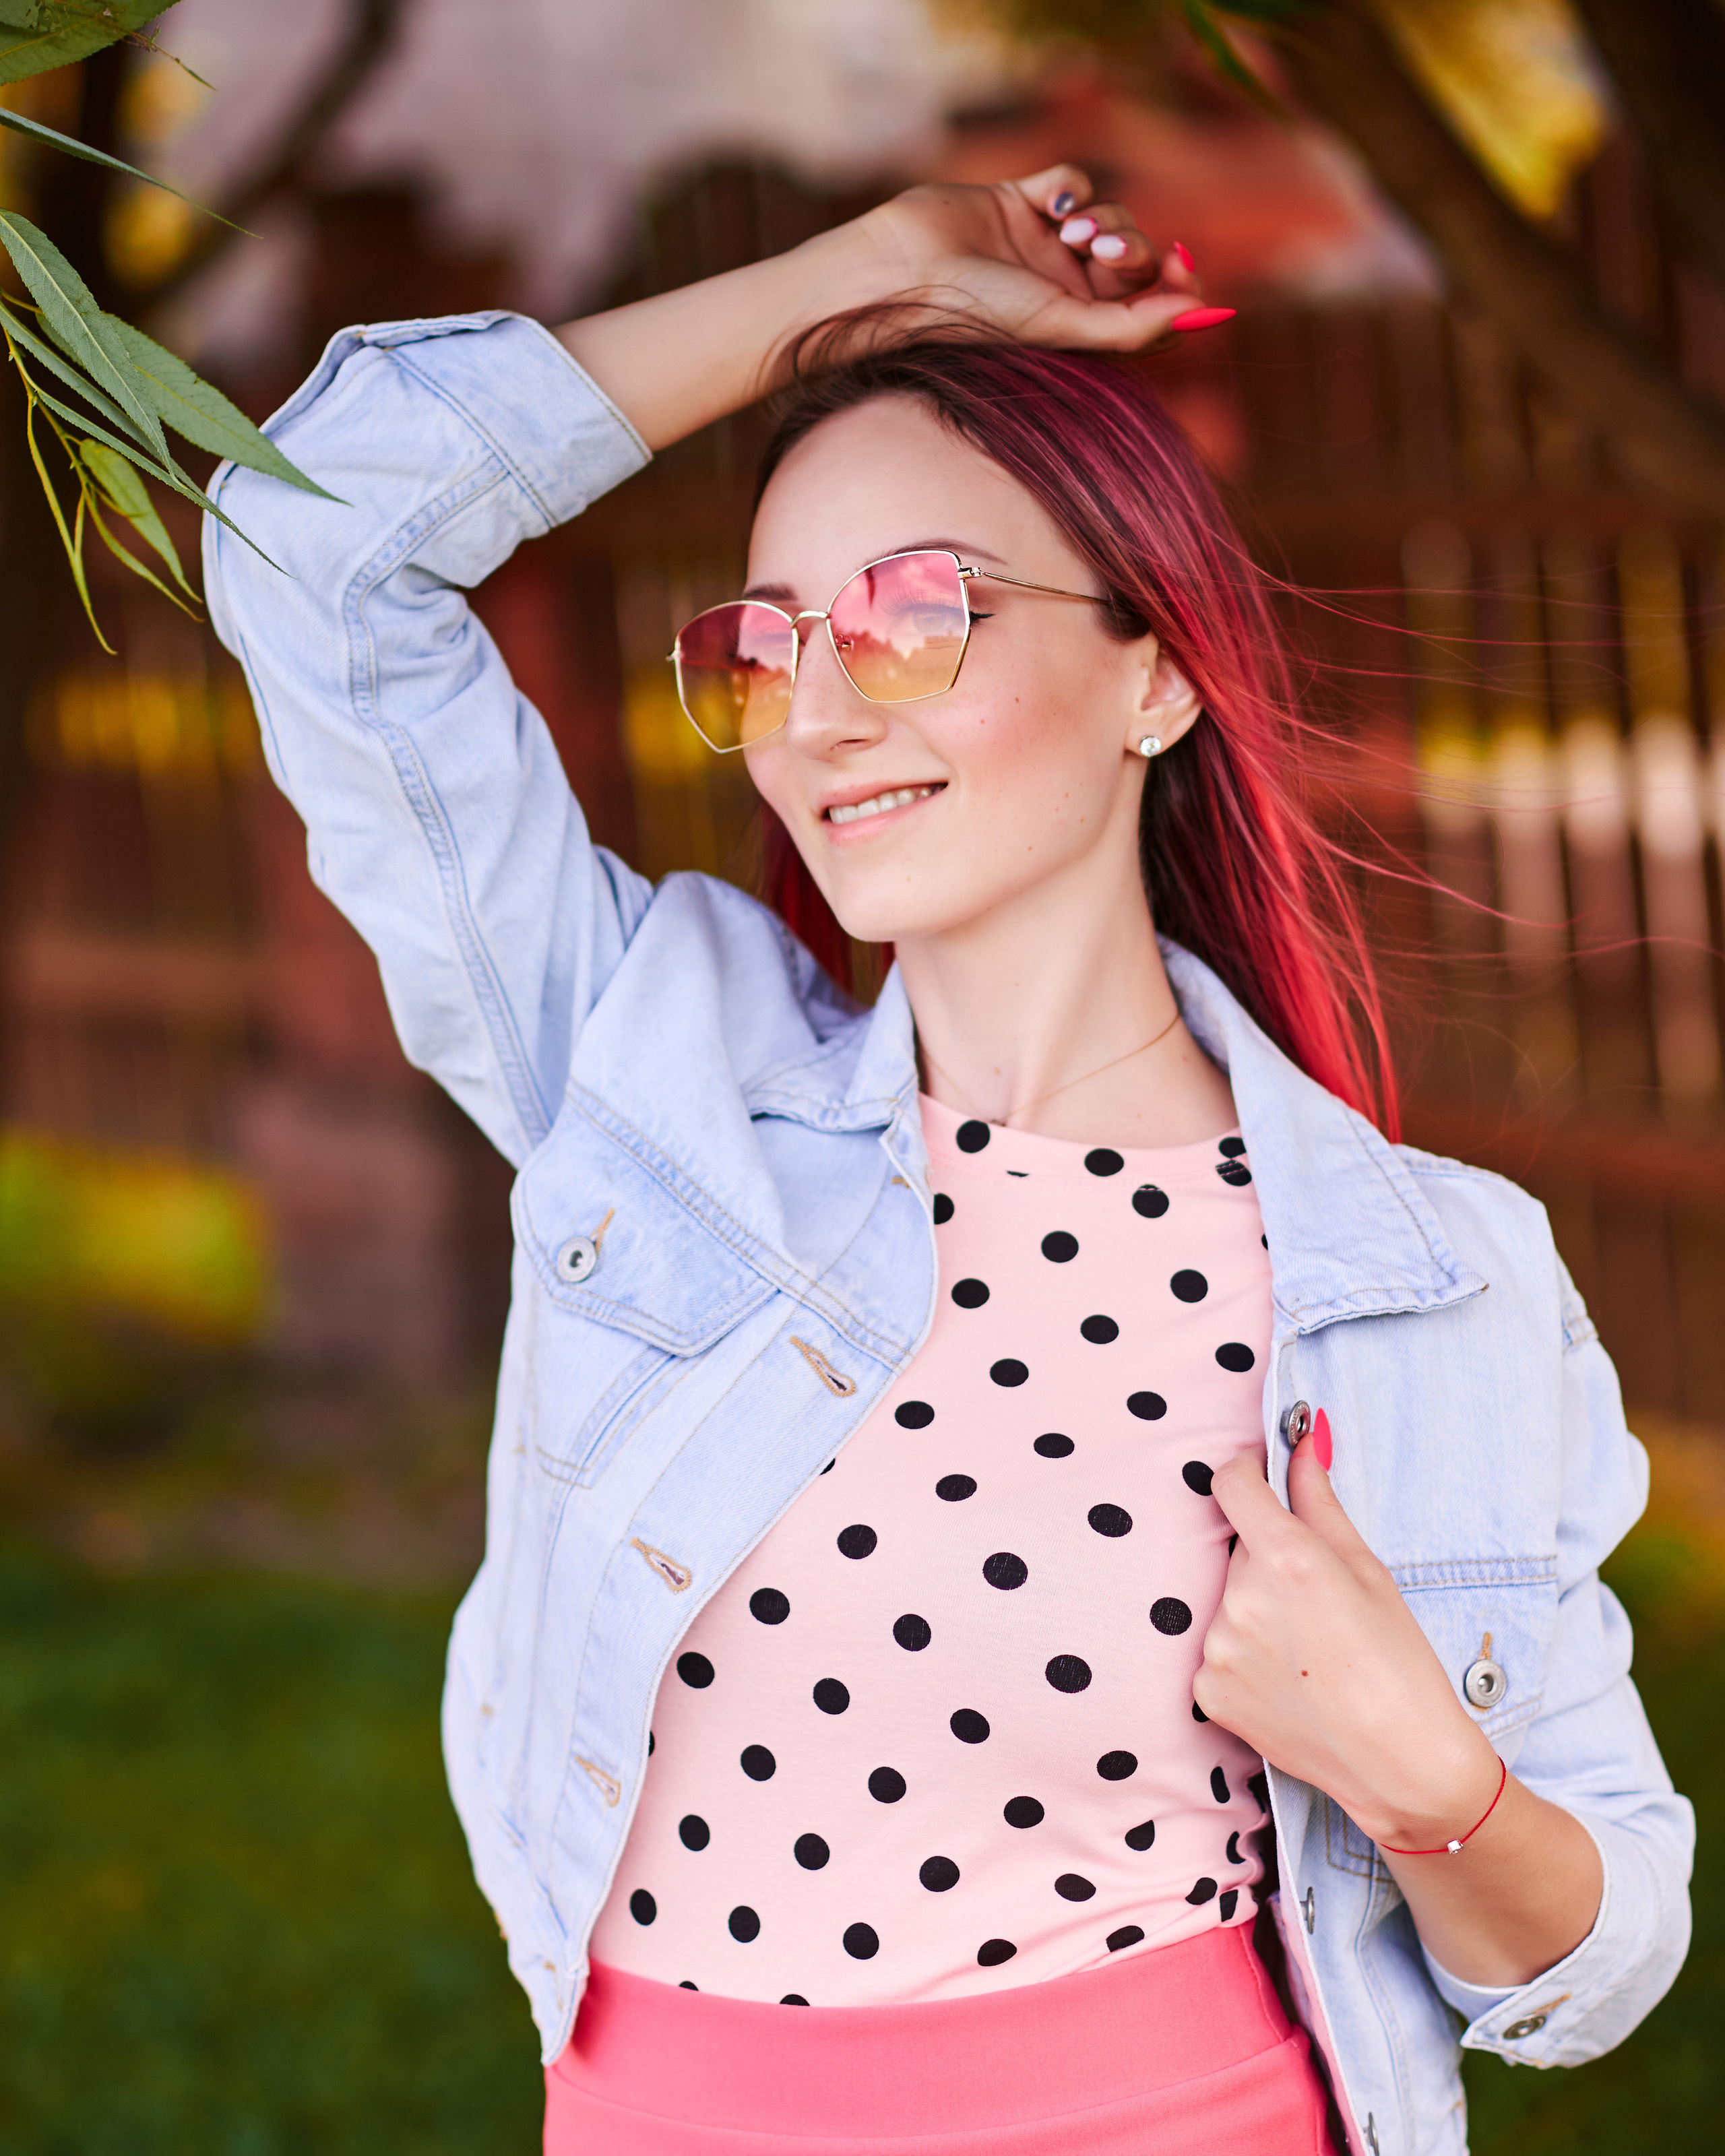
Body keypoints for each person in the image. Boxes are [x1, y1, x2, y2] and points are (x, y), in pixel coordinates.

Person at [204, 166, 1691, 2156]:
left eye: (916, 616)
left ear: (1156, 671)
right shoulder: (652, 1078)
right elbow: (312, 545)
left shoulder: (1425, 1277)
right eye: (761, 645)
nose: (816, 714)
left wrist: (1432, 1775)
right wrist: (859, 287)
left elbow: (1597, 1973)